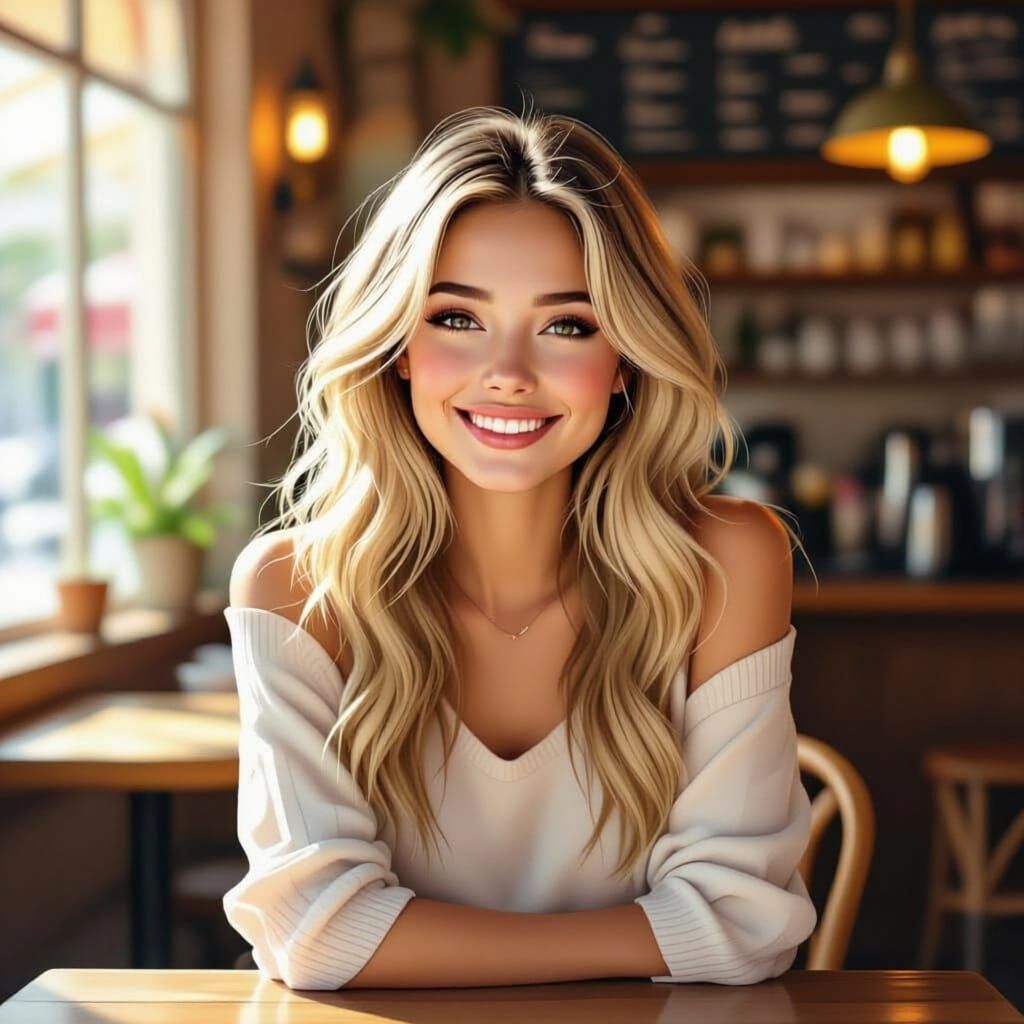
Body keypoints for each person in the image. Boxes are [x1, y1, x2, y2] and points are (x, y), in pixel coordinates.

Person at [223, 105, 818, 991]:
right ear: (398, 348)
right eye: (457, 319)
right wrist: (661, 939)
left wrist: (394, 944)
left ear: (625, 358)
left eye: (567, 325)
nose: (507, 370)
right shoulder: (295, 585)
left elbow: (746, 923)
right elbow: (313, 935)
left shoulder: (727, 562)